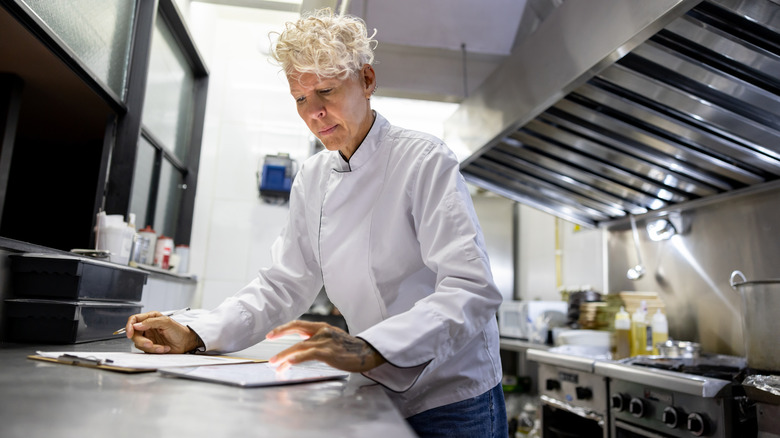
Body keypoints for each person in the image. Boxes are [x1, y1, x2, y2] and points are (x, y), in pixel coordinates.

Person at [124, 8, 507, 437]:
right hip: (373, 385)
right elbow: (285, 282)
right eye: (301, 99)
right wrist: (197, 332)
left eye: (326, 91)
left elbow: (470, 288)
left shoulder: (424, 160)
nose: (314, 113)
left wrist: (371, 347)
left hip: (452, 395)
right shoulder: (313, 177)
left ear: (367, 80)